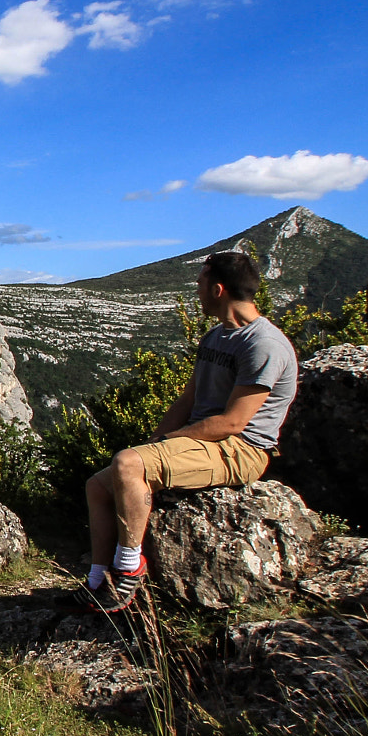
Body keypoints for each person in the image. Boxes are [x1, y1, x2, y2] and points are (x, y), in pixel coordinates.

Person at [81, 251, 299, 613]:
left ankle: (128, 569)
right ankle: (95, 583)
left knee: (127, 465)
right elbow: (189, 399)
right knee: (98, 485)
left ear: (217, 289)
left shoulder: (264, 345)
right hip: (203, 440)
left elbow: (233, 423)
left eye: (199, 283)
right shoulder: (217, 336)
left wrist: (166, 444)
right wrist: (155, 441)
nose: (195, 290)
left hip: (239, 449)